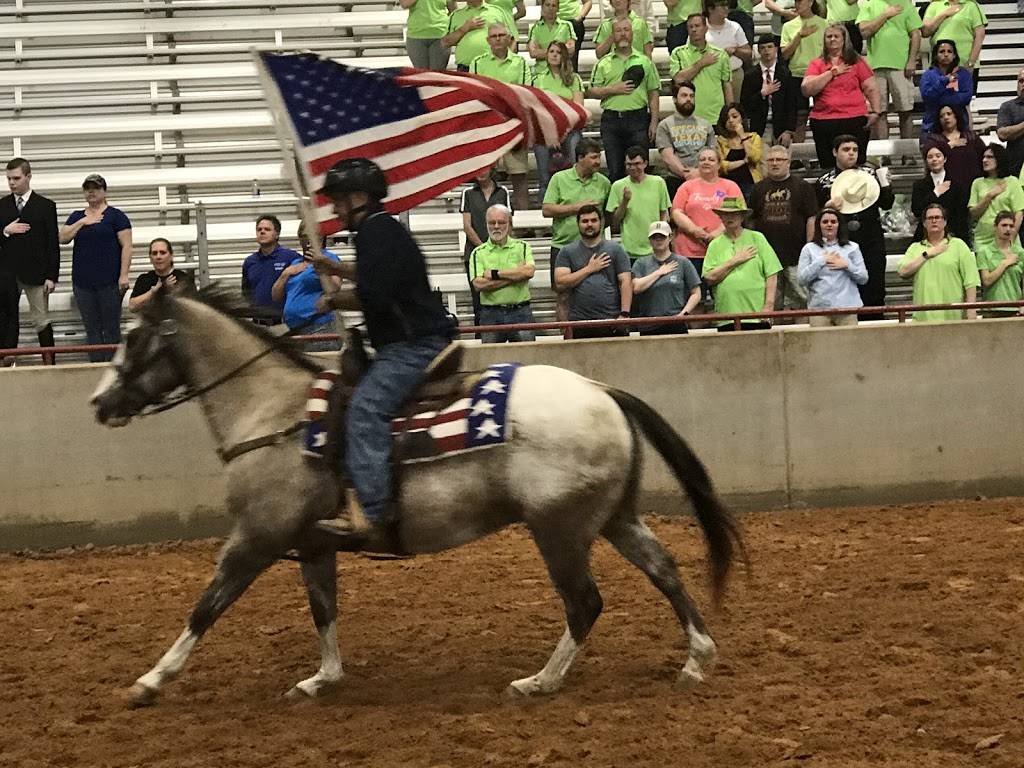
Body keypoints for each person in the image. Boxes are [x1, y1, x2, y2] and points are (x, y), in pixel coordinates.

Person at [310, 159, 455, 546]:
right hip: (413, 340)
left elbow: (376, 295)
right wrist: (335, 269)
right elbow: (379, 277)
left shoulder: (376, 233)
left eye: (340, 200)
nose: (335, 209)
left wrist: (333, 300)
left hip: (411, 347)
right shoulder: (381, 231)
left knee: (365, 410)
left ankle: (373, 512)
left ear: (360, 198)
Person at [815, 134, 895, 318]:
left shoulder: (871, 173)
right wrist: (827, 207)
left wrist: (887, 185)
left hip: (871, 237)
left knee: (875, 284)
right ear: (835, 152)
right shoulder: (824, 181)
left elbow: (887, 203)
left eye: (855, 150)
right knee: (843, 285)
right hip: (840, 241)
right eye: (846, 150)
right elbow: (815, 214)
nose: (851, 154)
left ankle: (876, 323)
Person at [59, 174, 132, 363]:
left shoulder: (116, 216)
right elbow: (63, 238)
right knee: (91, 328)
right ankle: (95, 367)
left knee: (111, 328)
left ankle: (113, 368)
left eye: (95, 188)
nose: (91, 192)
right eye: (87, 188)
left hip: (109, 282)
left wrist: (123, 275)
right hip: (83, 284)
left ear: (104, 191)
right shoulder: (77, 216)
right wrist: (83, 222)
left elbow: (127, 246)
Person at [542, 138, 612, 320]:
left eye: (599, 157)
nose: (598, 162)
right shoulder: (559, 179)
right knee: (563, 295)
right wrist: (577, 207)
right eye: (594, 157)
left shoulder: (604, 182)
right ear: (580, 158)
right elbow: (547, 209)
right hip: (563, 246)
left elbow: (609, 216)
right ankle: (566, 343)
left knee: (596, 293)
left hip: (596, 248)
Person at [0, 158, 59, 364]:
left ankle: (50, 364)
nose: (12, 183)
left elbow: (53, 243)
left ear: (28, 177)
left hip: (36, 274)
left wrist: (52, 276)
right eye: (8, 179)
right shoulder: (2, 205)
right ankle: (5, 363)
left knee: (41, 320)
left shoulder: (45, 206)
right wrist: (5, 231)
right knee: (6, 319)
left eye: (16, 178)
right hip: (7, 274)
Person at [587, 18, 660, 181]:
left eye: (626, 30)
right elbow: (592, 90)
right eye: (618, 31)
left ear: (632, 34)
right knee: (615, 171)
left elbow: (653, 92)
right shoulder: (603, 63)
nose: (623, 34)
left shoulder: (645, 61)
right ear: (612, 35)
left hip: (639, 120)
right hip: (612, 121)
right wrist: (613, 89)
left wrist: (654, 121)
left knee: (640, 171)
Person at [749, 144, 818, 310]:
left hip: (796, 256)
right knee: (771, 304)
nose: (775, 163)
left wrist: (809, 247)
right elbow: (751, 220)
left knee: (803, 302)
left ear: (788, 162)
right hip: (767, 258)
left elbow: (811, 218)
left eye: (779, 159)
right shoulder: (758, 189)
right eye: (771, 160)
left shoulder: (803, 187)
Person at [802, 23, 880, 168]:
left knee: (856, 165)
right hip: (824, 121)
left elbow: (871, 87)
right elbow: (807, 89)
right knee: (828, 165)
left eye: (836, 36)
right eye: (829, 36)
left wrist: (876, 111)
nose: (832, 39)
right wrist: (831, 73)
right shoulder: (817, 64)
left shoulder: (857, 62)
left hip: (854, 119)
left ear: (844, 39)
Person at [470, 23, 531, 210]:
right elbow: (473, 95)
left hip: (513, 127)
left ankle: (525, 228)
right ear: (488, 40)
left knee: (519, 180)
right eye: (494, 36)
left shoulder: (520, 63)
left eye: (501, 35)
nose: (497, 39)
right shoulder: (477, 63)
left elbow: (525, 94)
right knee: (486, 181)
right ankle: (487, 223)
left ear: (509, 38)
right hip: (488, 128)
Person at [701, 196, 782, 330]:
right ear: (720, 217)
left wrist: (768, 305)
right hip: (726, 315)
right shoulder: (714, 244)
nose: (729, 218)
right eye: (725, 214)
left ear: (742, 217)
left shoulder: (757, 238)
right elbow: (709, 278)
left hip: (757, 313)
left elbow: (772, 273)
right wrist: (735, 261)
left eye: (734, 214)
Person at [553, 204, 633, 338]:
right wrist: (589, 269)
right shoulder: (566, 252)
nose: (589, 224)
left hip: (612, 321)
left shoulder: (616, 249)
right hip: (579, 322)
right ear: (578, 224)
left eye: (594, 220)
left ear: (601, 223)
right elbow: (560, 282)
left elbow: (625, 281)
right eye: (585, 221)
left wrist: (624, 314)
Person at [897, 202, 979, 322]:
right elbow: (903, 272)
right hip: (923, 319)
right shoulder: (915, 248)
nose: (934, 221)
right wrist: (927, 254)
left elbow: (971, 281)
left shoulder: (958, 245)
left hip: (953, 317)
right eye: (930, 218)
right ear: (924, 223)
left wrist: (971, 309)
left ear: (945, 222)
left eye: (937, 217)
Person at [671, 146, 743, 282]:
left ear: (719, 164)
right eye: (702, 159)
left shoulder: (730, 186)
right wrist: (695, 231)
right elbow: (677, 212)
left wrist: (716, 234)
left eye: (711, 159)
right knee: (693, 295)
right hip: (689, 251)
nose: (706, 162)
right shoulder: (687, 186)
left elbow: (737, 214)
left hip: (722, 249)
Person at [470, 204, 537, 342]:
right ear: (486, 224)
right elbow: (478, 284)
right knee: (491, 360)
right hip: (490, 315)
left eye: (501, 222)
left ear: (510, 225)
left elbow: (529, 272)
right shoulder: (478, 253)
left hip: (521, 312)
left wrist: (494, 274)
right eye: (491, 222)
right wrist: (516, 276)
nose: (496, 226)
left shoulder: (523, 247)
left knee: (527, 359)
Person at [270, 223, 342, 351]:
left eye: (313, 235)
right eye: (304, 236)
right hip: (295, 330)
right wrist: (285, 274)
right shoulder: (296, 263)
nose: (308, 240)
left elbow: (335, 289)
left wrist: (320, 267)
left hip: (320, 327)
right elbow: (276, 296)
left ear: (321, 237)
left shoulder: (329, 259)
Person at [856, 0, 922, 140]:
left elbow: (916, 34)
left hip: (900, 66)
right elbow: (864, 32)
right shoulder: (869, 5)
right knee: (879, 112)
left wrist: (911, 60)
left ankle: (907, 154)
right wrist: (885, 15)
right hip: (875, 66)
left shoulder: (905, 5)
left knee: (905, 110)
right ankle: (882, 154)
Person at [532, 41, 585, 201]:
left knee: (574, 145)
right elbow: (537, 110)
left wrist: (563, 131)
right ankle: (546, 198)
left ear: (564, 56)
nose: (554, 55)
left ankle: (575, 196)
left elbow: (578, 109)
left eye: (558, 52)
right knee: (541, 149)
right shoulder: (539, 79)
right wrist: (551, 134)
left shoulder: (574, 79)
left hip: (570, 129)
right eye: (551, 51)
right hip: (546, 131)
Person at [797, 207, 868, 325]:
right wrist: (821, 261)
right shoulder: (808, 249)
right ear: (818, 225)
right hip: (819, 310)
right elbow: (801, 279)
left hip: (847, 309)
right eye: (825, 222)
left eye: (833, 222)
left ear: (839, 225)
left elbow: (863, 278)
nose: (829, 225)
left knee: (849, 343)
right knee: (820, 344)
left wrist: (847, 265)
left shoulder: (853, 247)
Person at [460, 166, 511, 325]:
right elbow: (467, 226)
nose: (480, 172)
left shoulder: (503, 192)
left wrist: (497, 248)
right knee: (478, 300)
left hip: (500, 252)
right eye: (478, 169)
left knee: (501, 295)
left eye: (484, 169)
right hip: (474, 254)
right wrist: (484, 248)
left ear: (492, 170)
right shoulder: (467, 193)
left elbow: (508, 222)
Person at [631, 220, 702, 333]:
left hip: (676, 322)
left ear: (670, 237)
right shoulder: (641, 263)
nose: (658, 240)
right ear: (650, 240)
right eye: (654, 237)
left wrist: (684, 314)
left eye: (662, 237)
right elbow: (636, 288)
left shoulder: (683, 262)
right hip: (649, 324)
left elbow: (696, 293)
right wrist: (659, 272)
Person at [606, 145, 671, 260]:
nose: (633, 168)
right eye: (629, 164)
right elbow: (615, 221)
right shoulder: (617, 186)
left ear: (645, 163)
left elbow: (663, 214)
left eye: (637, 164)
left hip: (655, 249)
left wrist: (663, 242)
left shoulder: (658, 182)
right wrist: (625, 201)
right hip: (629, 250)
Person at [656, 80, 717, 200]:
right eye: (684, 95)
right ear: (674, 99)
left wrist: (700, 172)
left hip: (704, 176)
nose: (689, 99)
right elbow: (668, 157)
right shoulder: (665, 125)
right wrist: (686, 174)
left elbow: (713, 154)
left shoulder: (706, 125)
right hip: (676, 179)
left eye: (691, 96)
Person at [669, 14, 733, 124]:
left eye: (697, 26)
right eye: (690, 27)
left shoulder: (720, 55)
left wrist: (730, 113)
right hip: (688, 117)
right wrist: (701, 63)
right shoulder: (678, 53)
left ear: (706, 28)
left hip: (716, 117)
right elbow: (678, 79)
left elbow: (727, 86)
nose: (694, 29)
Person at [240, 214, 301, 323]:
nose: (262, 232)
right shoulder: (249, 262)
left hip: (284, 324)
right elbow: (246, 292)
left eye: (267, 229)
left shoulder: (291, 257)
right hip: (258, 325)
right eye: (259, 229)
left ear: (277, 234)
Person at [740, 34, 798, 147]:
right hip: (759, 128)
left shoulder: (784, 73)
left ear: (776, 49)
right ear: (758, 51)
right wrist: (761, 94)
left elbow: (791, 104)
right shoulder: (750, 75)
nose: (766, 51)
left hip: (781, 128)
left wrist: (789, 131)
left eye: (770, 47)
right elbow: (744, 105)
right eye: (763, 48)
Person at [780, 0, 825, 142]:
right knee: (799, 117)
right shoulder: (788, 26)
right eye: (796, 1)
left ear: (811, 2)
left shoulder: (824, 24)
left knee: (823, 116)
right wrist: (799, 36)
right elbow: (785, 54)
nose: (797, 4)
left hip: (820, 76)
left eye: (801, 1)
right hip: (796, 74)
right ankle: (800, 155)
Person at [921, 0, 986, 94]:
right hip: (940, 66)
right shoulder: (934, 5)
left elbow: (980, 36)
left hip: (965, 64)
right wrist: (944, 14)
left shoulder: (972, 6)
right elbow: (925, 32)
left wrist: (971, 63)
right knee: (939, 100)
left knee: (963, 101)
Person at [968, 144, 1024, 253]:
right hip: (983, 239)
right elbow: (973, 213)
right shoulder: (977, 183)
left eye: (990, 157)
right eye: (983, 157)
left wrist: (1011, 236)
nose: (985, 160)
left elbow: (1019, 213)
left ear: (999, 158)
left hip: (1007, 237)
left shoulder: (1012, 182)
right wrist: (989, 196)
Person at [911, 143, 970, 244]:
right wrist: (935, 193)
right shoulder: (919, 185)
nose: (934, 159)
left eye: (938, 156)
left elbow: (962, 215)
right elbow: (917, 210)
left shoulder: (957, 184)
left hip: (952, 235)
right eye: (930, 157)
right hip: (926, 235)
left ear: (945, 159)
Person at [921, 104, 986, 192]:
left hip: (973, 185)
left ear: (956, 115)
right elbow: (930, 157)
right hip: (946, 187)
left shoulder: (971, 136)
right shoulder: (933, 139)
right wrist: (949, 145)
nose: (946, 118)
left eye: (949, 114)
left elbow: (984, 155)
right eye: (942, 116)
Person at [919, 39, 973, 136]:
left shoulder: (963, 74)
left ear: (954, 55)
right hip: (932, 127)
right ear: (935, 55)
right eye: (942, 51)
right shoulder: (928, 75)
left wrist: (941, 98)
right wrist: (945, 81)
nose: (946, 54)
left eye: (949, 51)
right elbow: (928, 97)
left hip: (960, 127)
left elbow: (966, 98)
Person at [442, 0, 515, 72]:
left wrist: (507, 61)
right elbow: (445, 43)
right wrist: (464, 28)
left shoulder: (497, 11)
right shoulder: (456, 15)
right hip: (465, 68)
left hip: (493, 66)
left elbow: (511, 39)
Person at [128, 238, 196, 313]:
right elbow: (132, 307)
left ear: (171, 256)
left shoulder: (184, 279)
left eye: (162, 253)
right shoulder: (144, 279)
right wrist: (153, 292)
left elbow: (193, 309)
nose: (158, 257)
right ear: (150, 258)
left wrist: (172, 292)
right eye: (154, 253)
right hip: (150, 323)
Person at [976, 211, 1024, 317]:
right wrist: (1005, 264)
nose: (1008, 229)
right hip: (991, 308)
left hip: (1014, 307)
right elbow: (986, 280)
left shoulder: (1020, 253)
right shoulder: (984, 252)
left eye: (1011, 226)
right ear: (995, 227)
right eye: (1004, 225)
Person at [705, 0, 752, 102]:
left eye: (727, 5)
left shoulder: (735, 26)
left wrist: (735, 51)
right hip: (710, 75)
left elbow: (748, 53)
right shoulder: (701, 27)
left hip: (734, 74)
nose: (726, 8)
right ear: (710, 9)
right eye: (722, 5)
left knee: (734, 110)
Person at [715, 103, 763, 201]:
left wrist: (742, 135)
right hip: (726, 185)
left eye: (735, 116)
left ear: (742, 118)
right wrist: (743, 162)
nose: (731, 120)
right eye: (727, 118)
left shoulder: (754, 138)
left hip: (750, 184)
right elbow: (721, 165)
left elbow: (754, 158)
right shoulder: (720, 141)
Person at [528, 0, 575, 75]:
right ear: (542, 7)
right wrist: (560, 50)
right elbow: (533, 53)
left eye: (553, 5)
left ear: (558, 8)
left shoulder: (567, 26)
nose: (550, 8)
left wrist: (542, 51)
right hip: (540, 73)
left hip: (562, 73)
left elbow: (570, 51)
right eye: (547, 5)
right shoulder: (534, 28)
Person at [403, 0, 454, 70]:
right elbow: (404, 4)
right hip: (416, 36)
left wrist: (445, 24)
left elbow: (453, 10)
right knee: (421, 75)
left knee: (438, 74)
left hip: (441, 35)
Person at [995, 67, 1024, 178]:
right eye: (1021, 81)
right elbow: (1002, 134)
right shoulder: (1008, 106)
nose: (1023, 84)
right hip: (1015, 169)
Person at [557, 0, 592, 72]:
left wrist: (579, 18)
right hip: (555, 23)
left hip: (574, 22)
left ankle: (572, 81)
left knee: (572, 61)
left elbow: (588, 2)